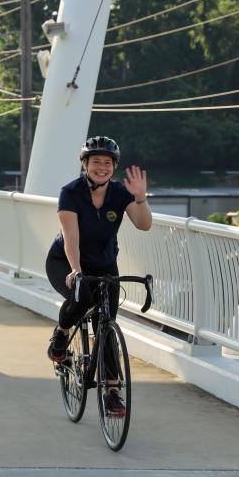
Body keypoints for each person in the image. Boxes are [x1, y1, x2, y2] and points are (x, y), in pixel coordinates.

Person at [45, 136, 152, 417]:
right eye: (96, 162)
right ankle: (62, 333)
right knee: (81, 299)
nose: (101, 167)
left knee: (106, 325)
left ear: (113, 166)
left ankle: (112, 392)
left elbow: (143, 225)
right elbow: (71, 238)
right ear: (85, 164)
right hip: (66, 260)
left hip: (105, 265)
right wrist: (76, 271)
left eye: (107, 163)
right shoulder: (71, 192)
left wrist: (140, 198)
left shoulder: (119, 193)